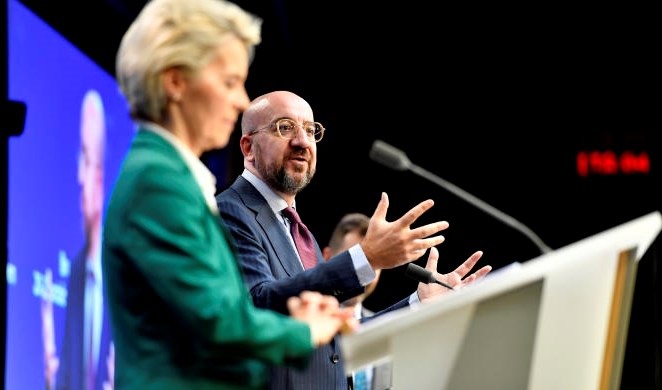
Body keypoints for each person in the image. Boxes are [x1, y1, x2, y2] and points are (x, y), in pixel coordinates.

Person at [101, 1, 356, 390]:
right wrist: (303, 331)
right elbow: (219, 322)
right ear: (175, 82)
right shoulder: (159, 180)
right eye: (229, 81)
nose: (240, 100)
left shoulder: (171, 175)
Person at [215, 90, 492, 390]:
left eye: (310, 130)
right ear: (248, 147)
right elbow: (259, 303)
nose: (302, 142)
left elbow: (336, 345)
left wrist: (417, 303)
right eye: (285, 127)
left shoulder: (296, 228)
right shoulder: (231, 211)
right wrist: (366, 257)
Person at [41, 88, 114, 390]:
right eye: (80, 161)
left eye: (89, 159)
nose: (81, 178)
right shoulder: (76, 270)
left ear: (102, 173)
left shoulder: (122, 270)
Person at [322, 212, 389, 390]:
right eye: (353, 260)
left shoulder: (386, 328)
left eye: (373, 263)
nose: (363, 274)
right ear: (326, 258)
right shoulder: (303, 323)